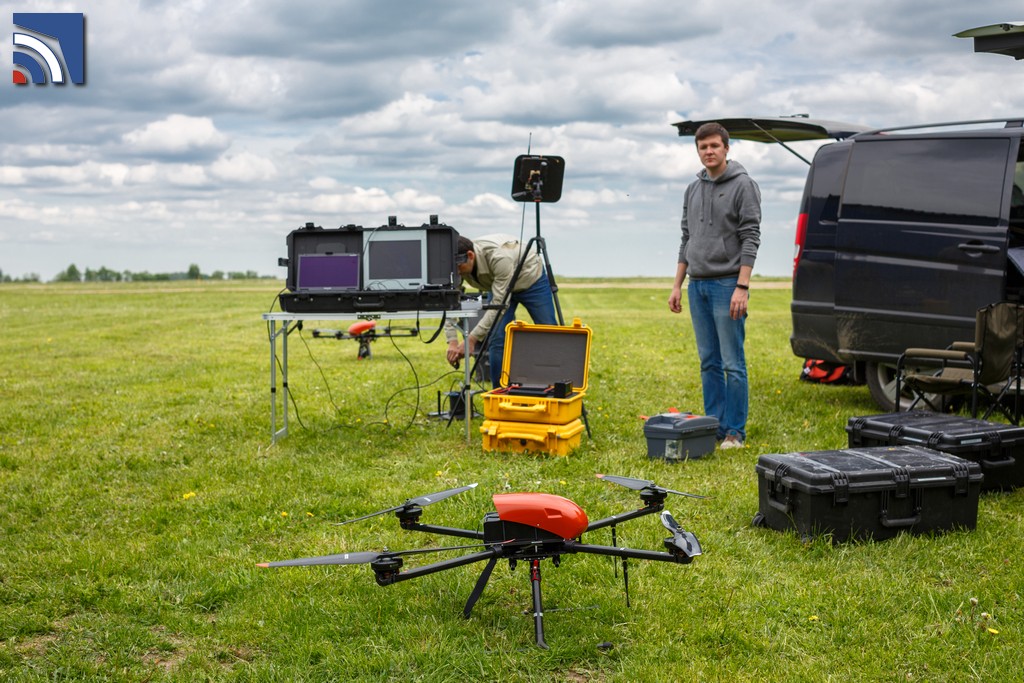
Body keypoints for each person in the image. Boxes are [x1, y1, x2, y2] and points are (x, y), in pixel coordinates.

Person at [668, 122, 761, 449]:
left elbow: (750, 236)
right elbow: (686, 238)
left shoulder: (743, 185)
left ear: (726, 148)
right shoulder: (692, 189)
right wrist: (678, 284)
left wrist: (742, 286)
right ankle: (715, 426)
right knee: (708, 360)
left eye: (714, 146)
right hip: (698, 286)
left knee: (732, 362)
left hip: (727, 285)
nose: (708, 152)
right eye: (703, 147)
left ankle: (735, 431)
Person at [445, 234, 557, 387]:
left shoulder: (498, 257)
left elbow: (499, 305)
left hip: (530, 280)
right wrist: (452, 341)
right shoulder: (456, 265)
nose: (457, 273)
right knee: (497, 340)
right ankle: (499, 391)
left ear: (470, 256)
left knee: (549, 331)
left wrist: (471, 339)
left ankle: (556, 386)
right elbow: (450, 302)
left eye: (458, 268)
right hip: (499, 284)